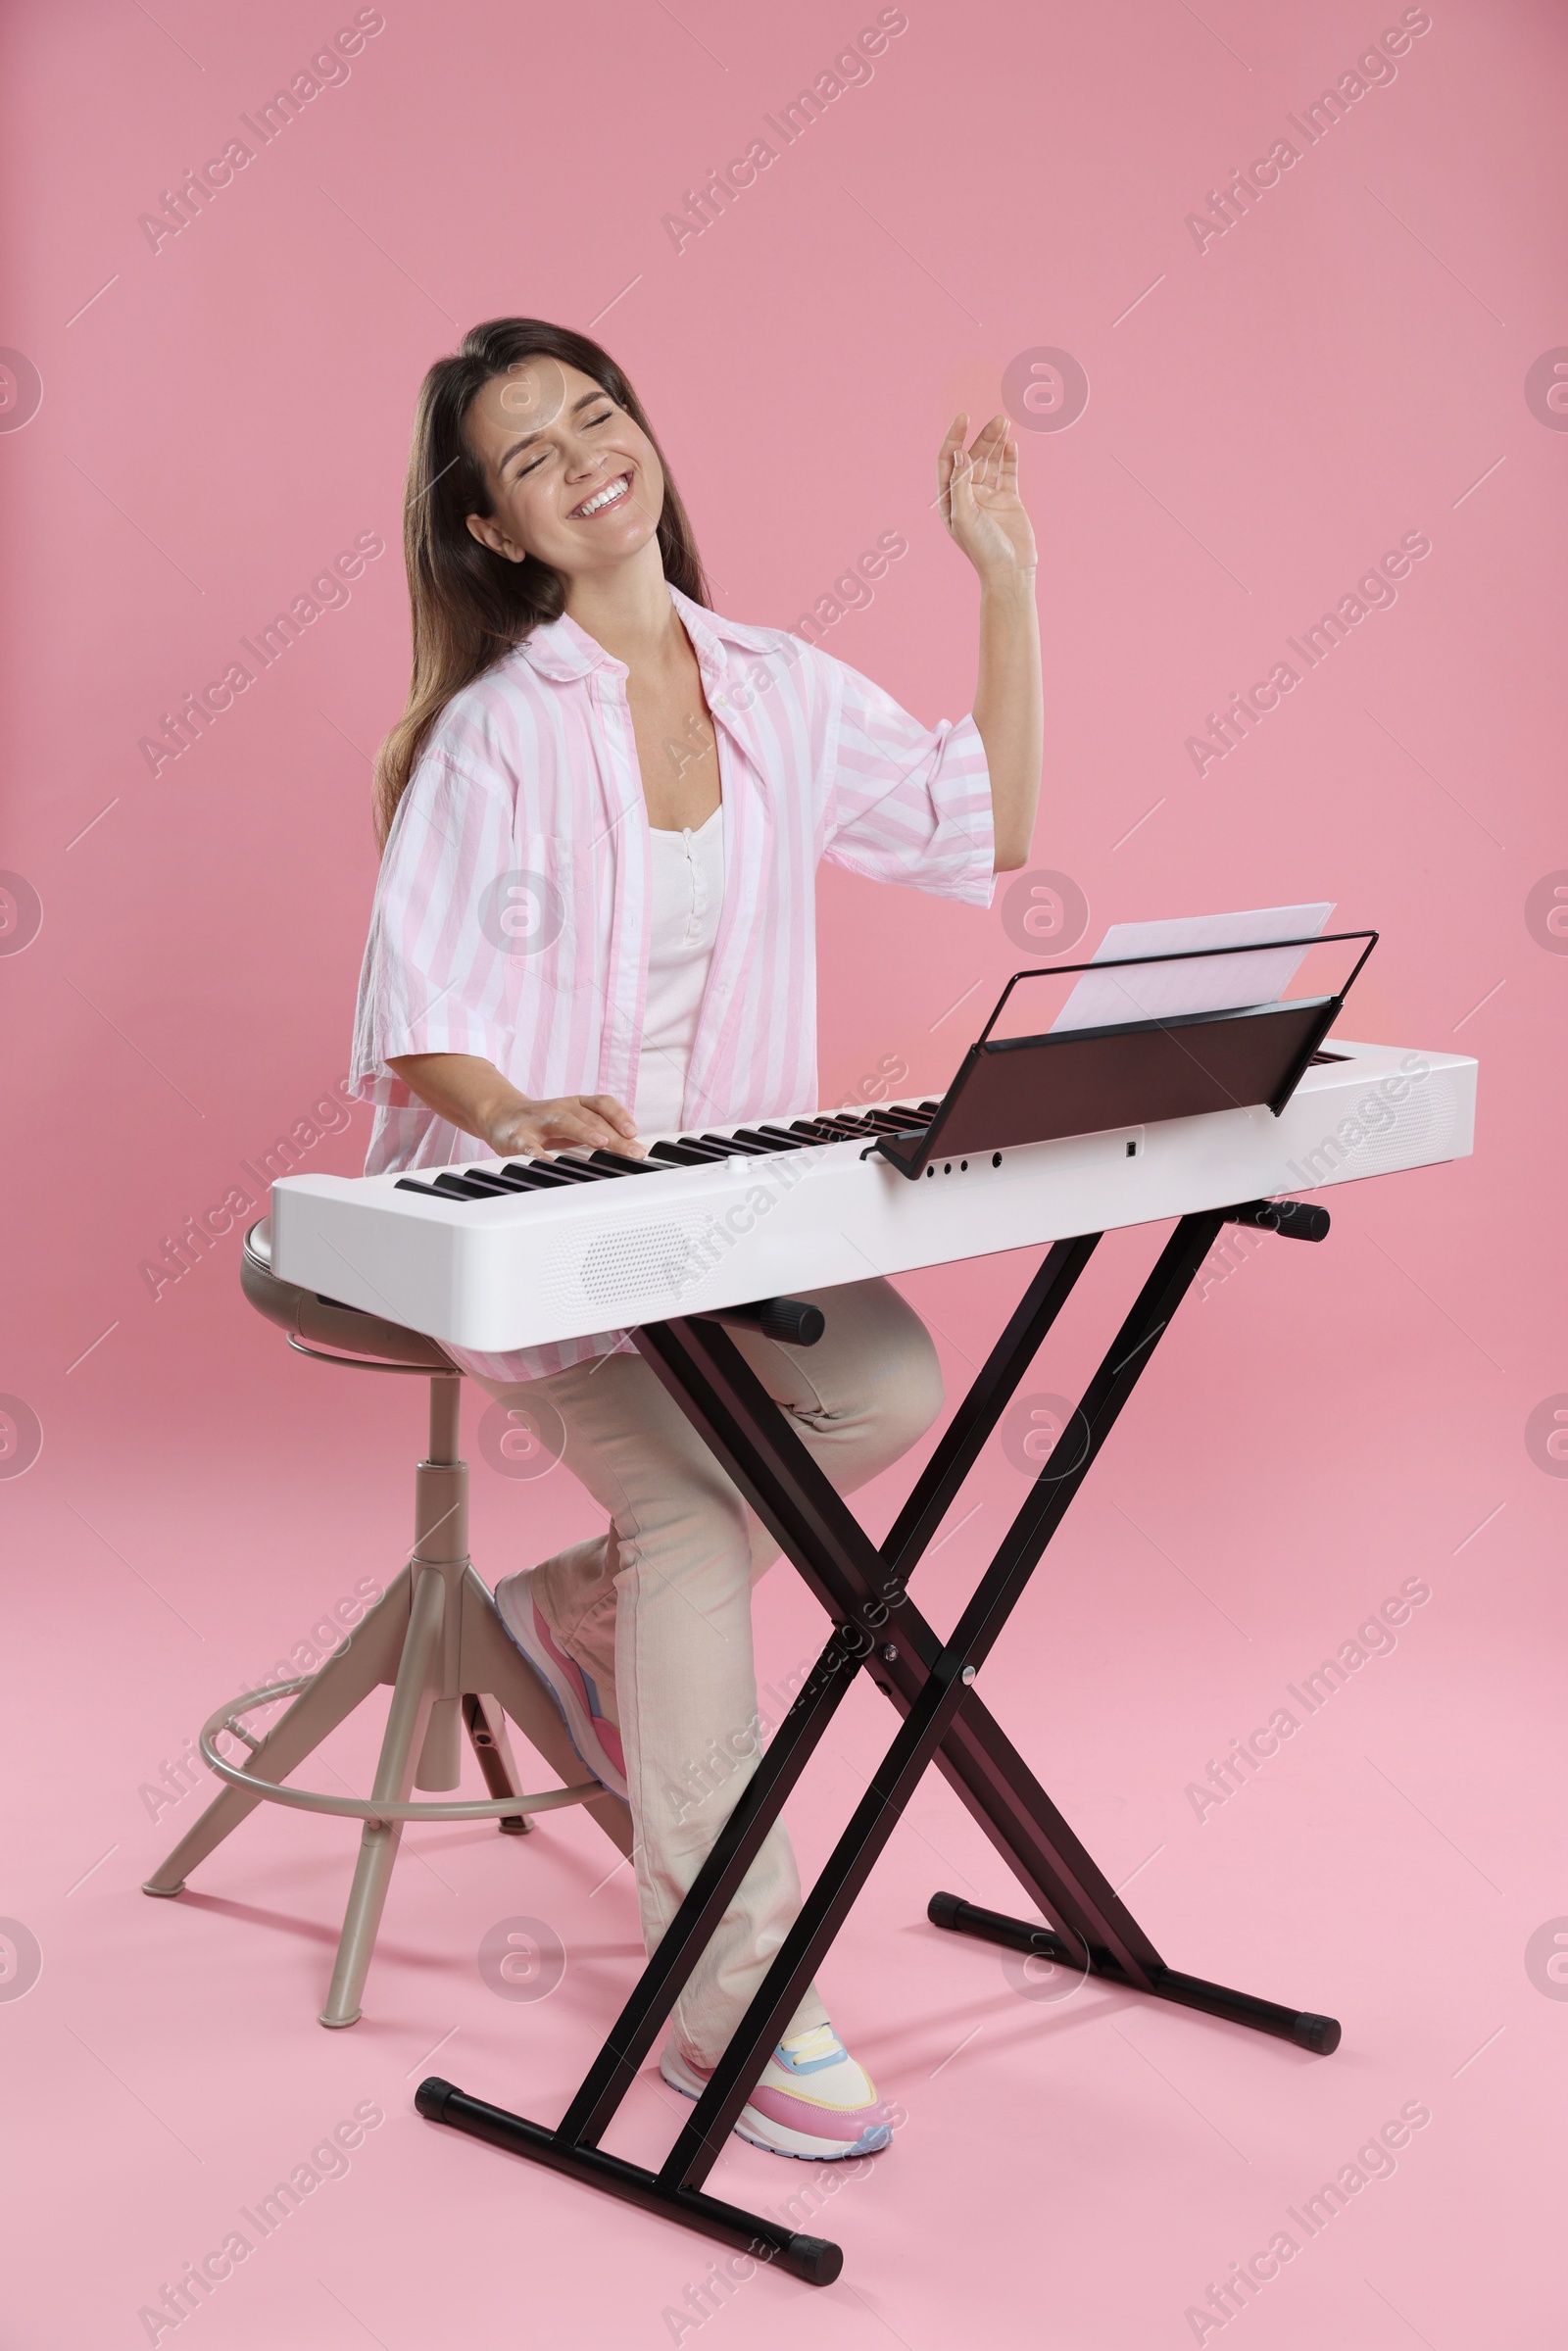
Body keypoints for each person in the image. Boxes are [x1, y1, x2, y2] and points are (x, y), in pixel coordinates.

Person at [351, 317, 1041, 2161]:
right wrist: (517, 1116)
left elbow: (993, 825)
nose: (587, 453)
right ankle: (726, 1990)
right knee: (695, 1511)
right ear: (494, 530)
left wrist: (1007, 585)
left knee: (889, 1380)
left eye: (600, 411)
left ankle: (570, 1629)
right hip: (539, 1226)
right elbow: (416, 1005)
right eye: (528, 453)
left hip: (720, 1224)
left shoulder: (771, 683)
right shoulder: (497, 731)